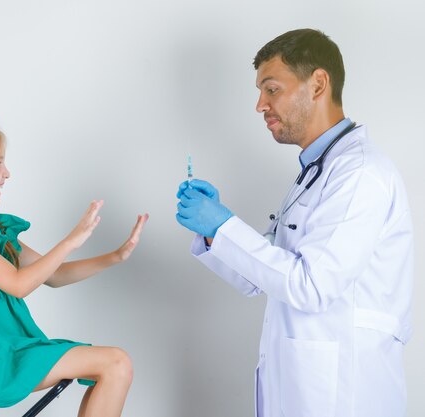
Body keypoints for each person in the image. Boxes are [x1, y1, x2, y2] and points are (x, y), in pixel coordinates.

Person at [176, 29, 413, 417]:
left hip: (346, 392)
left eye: (271, 89)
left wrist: (224, 227)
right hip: (308, 386)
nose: (260, 105)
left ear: (318, 84)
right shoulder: (318, 172)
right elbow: (261, 275)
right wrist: (212, 230)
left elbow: (311, 287)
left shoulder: (359, 173)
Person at [0, 114, 148, 417]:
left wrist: (115, 256)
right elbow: (18, 283)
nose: (6, 172)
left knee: (116, 364)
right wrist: (69, 241)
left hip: (11, 349)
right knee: (115, 363)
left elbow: (55, 274)